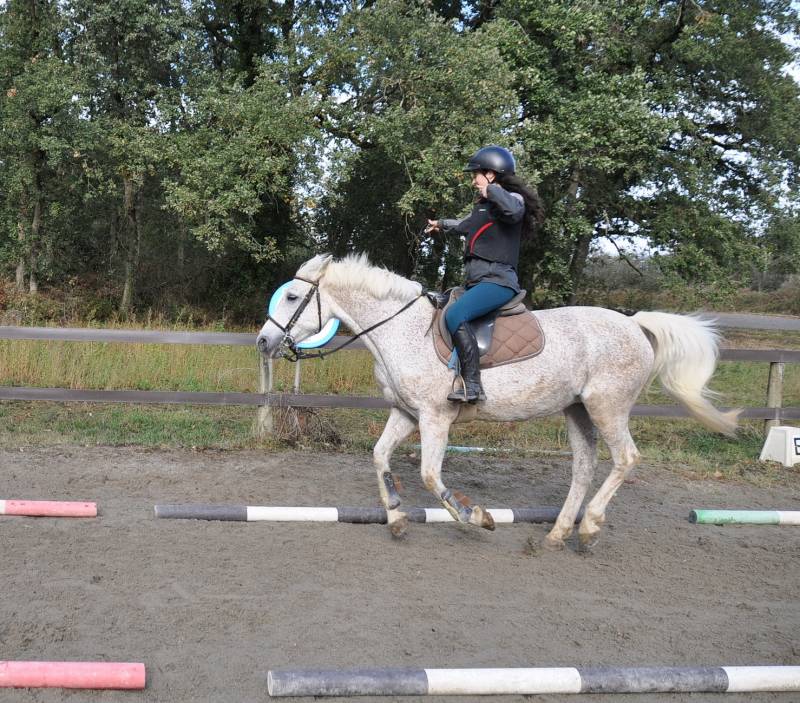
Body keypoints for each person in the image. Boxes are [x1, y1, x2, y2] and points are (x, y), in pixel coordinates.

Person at [426, 145, 544, 403]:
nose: (473, 180)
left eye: (477, 174)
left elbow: (513, 211)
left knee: (455, 314)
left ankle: (472, 385)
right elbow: (465, 225)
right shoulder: (485, 208)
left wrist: (491, 189)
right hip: (478, 281)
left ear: (491, 174)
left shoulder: (512, 201)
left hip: (498, 282)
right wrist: (441, 224)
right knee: (448, 301)